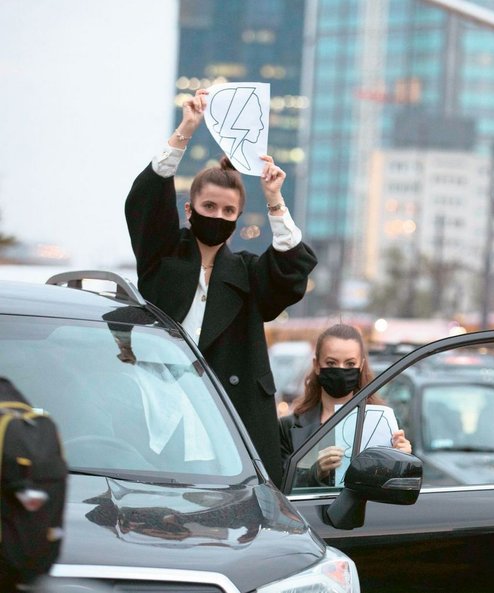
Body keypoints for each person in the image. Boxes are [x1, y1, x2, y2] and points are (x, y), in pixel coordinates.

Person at [125, 89, 317, 485]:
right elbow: (144, 201)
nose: (219, 216)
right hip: (155, 411)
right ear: (189, 209)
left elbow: (292, 270)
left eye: (229, 211)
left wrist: (275, 201)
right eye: (209, 207)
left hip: (230, 422)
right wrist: (186, 129)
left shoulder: (247, 273)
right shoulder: (162, 256)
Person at [279, 324, 411, 486]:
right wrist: (315, 472)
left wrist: (403, 460)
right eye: (332, 363)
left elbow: (396, 489)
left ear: (361, 366)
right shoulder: (288, 427)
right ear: (316, 365)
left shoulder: (384, 423)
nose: (340, 370)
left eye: (349, 364)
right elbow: (279, 488)